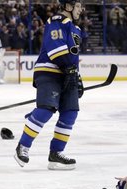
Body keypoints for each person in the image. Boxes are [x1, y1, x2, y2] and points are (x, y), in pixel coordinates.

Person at [14, 0, 84, 170]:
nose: (81, 10)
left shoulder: (77, 29)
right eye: (78, 6)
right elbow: (56, 51)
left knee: (70, 112)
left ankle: (56, 154)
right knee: (46, 109)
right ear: (68, 6)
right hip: (49, 71)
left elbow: (72, 57)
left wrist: (77, 76)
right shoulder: (56, 22)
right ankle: (23, 146)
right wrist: (69, 69)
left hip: (67, 73)